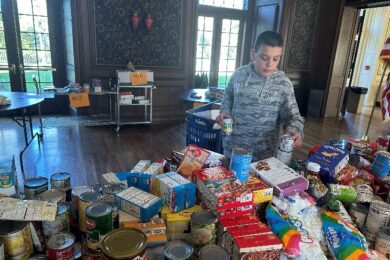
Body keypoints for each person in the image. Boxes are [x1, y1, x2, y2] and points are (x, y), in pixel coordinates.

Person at [216, 31, 304, 161]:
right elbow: (227, 98)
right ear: (253, 54)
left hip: (263, 156)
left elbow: (293, 117)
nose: (270, 64)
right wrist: (225, 112)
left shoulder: (284, 84)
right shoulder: (238, 75)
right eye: (264, 58)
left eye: (276, 59)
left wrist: (294, 130)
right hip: (232, 150)